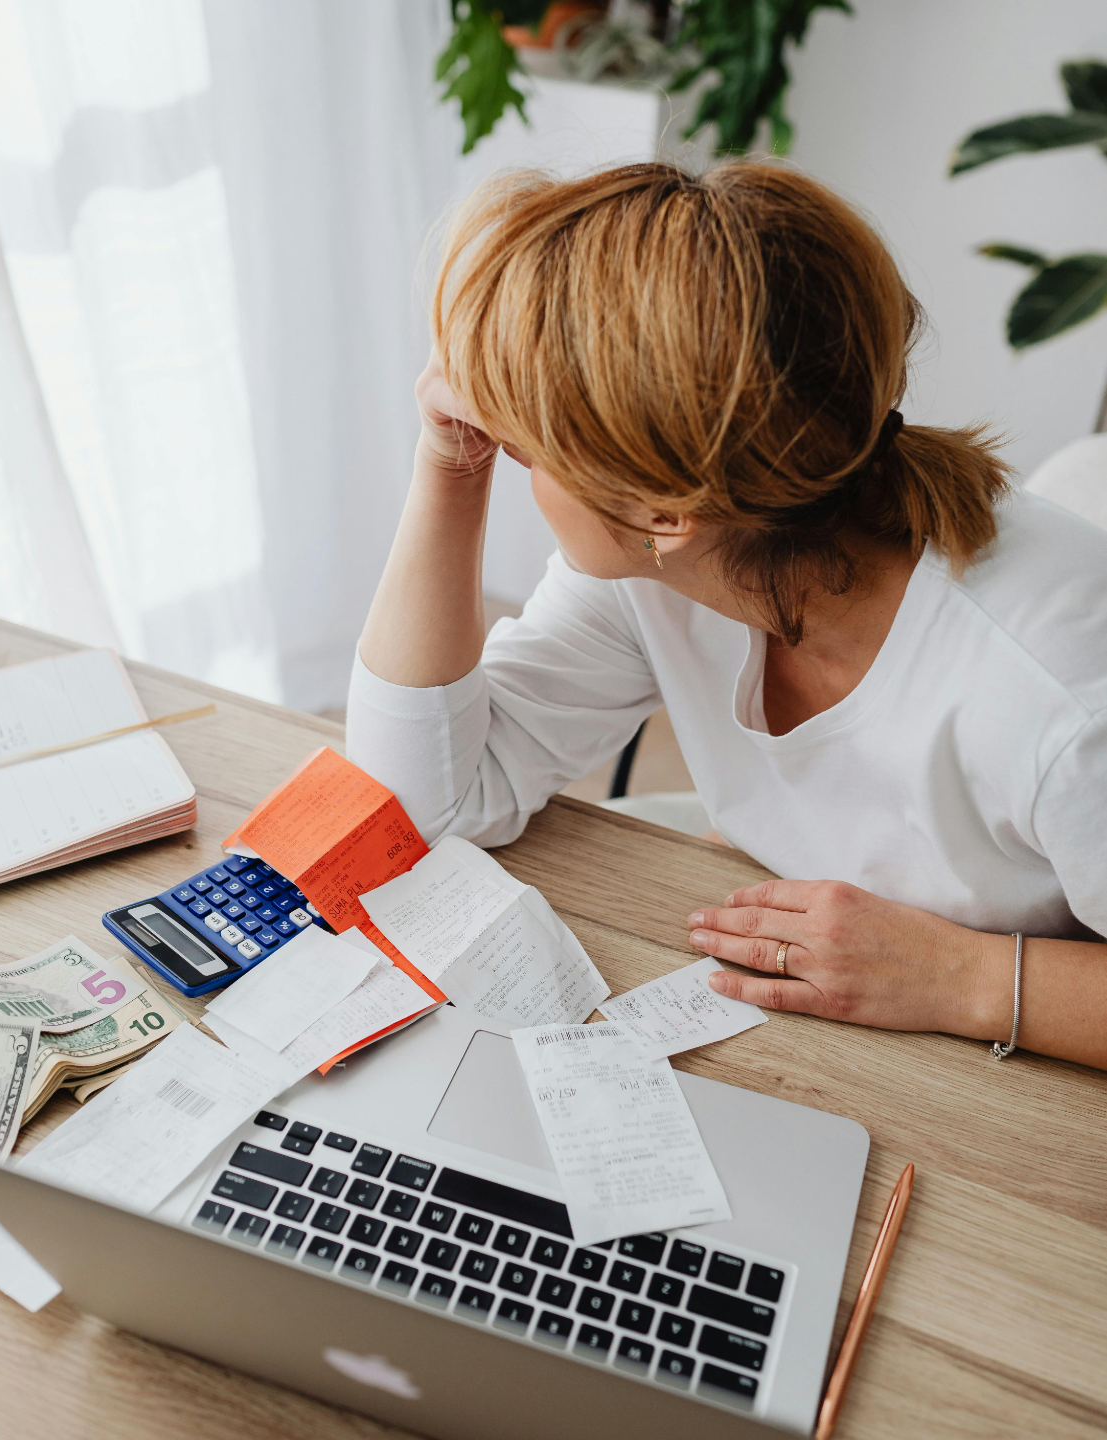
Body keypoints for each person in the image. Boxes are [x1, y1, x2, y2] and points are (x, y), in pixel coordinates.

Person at [348, 161, 1107, 1071]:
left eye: (523, 447)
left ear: (665, 512)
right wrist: (446, 462)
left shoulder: (1057, 699)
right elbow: (421, 807)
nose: (505, 459)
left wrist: (963, 976)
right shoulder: (657, 571)